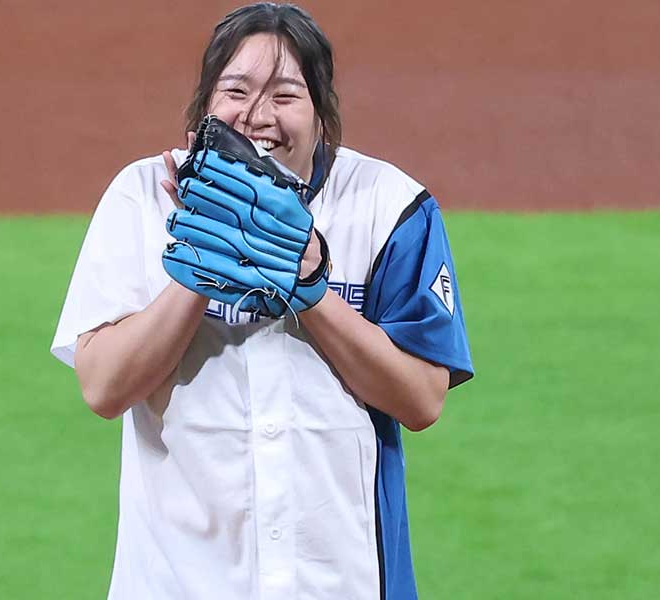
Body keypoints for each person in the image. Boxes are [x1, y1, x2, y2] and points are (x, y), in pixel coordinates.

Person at [50, 3, 473, 599]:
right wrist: (199, 268)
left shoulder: (389, 207)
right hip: (177, 583)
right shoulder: (143, 198)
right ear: (204, 107)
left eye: (285, 95)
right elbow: (103, 387)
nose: (256, 117)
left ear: (322, 113)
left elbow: (422, 400)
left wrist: (311, 292)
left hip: (341, 582)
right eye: (236, 90)